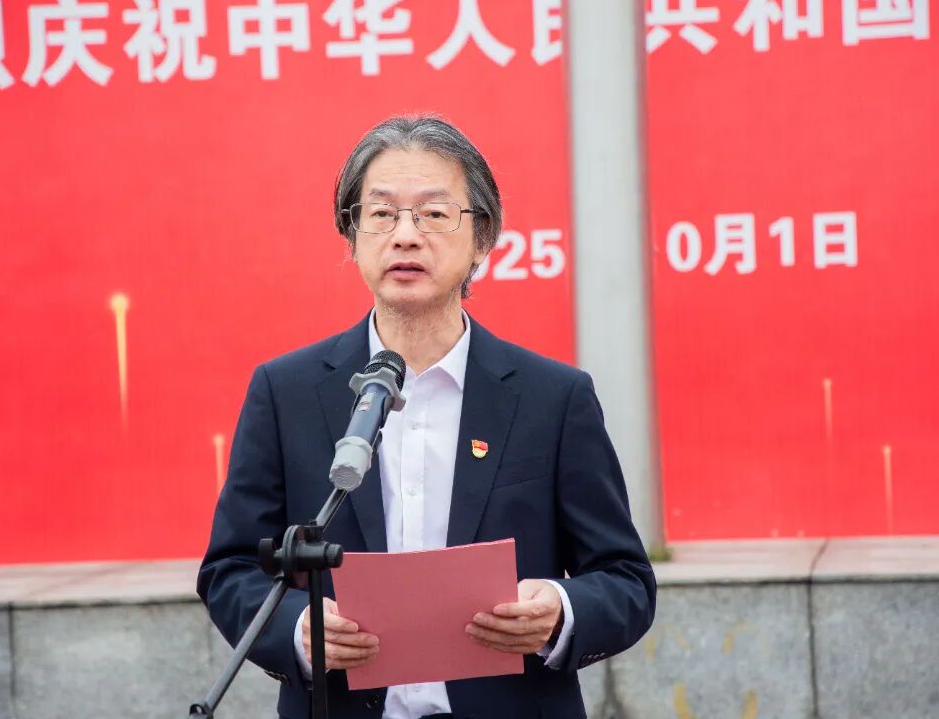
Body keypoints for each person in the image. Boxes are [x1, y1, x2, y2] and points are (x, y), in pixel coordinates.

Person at [197, 115, 656, 719]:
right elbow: (231, 569)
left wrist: (559, 610)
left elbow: (624, 580)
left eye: (434, 214)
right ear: (352, 235)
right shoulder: (286, 392)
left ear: (483, 238)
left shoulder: (552, 397)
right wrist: (299, 631)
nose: (405, 236)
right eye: (381, 214)